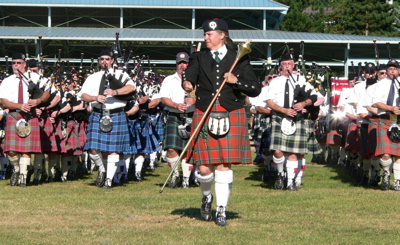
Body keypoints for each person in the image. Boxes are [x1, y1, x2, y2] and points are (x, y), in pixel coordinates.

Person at [183, 19, 261, 226]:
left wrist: (237, 81)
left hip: (231, 112)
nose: (205, 38)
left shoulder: (240, 57)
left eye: (209, 35)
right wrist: (187, 82)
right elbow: (190, 75)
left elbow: (255, 88)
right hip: (205, 111)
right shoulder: (198, 56)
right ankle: (207, 197)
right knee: (204, 168)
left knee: (224, 164)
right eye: (205, 34)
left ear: (222, 35)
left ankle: (221, 210)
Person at [79, 49, 135, 189]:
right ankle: (102, 171)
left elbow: (131, 88)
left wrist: (115, 92)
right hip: (98, 113)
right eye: (102, 59)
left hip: (116, 114)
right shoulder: (93, 77)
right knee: (93, 149)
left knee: (113, 150)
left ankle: (109, 180)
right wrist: (94, 98)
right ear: (99, 61)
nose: (104, 61)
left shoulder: (121, 75)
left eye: (107, 59)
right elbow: (82, 95)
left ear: (112, 61)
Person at [265, 52, 317, 191]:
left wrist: (304, 104)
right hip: (279, 116)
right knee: (277, 151)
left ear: (293, 65)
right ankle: (280, 173)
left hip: (296, 117)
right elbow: (269, 101)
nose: (287, 66)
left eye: (289, 64)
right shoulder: (275, 82)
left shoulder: (300, 79)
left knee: (293, 152)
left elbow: (313, 96)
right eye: (284, 64)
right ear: (280, 67)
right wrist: (283, 110)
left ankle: (290, 182)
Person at [0, 53, 50, 187]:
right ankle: (16, 170)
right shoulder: (7, 81)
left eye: (18, 62)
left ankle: (23, 176)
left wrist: (39, 100)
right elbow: (3, 102)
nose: (16, 65)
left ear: (24, 64)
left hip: (30, 116)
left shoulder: (34, 77)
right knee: (11, 150)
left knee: (26, 150)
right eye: (13, 62)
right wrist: (19, 106)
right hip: (14, 115)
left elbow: (47, 90)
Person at [159, 52, 195, 189]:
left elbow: (205, 96)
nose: (182, 65)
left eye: (185, 62)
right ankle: (175, 175)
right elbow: (164, 98)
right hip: (174, 116)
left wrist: (194, 100)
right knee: (171, 149)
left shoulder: (196, 79)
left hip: (191, 116)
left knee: (188, 150)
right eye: (180, 63)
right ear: (176, 64)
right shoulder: (169, 80)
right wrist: (175, 105)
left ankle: (186, 179)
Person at [371, 59, 400, 190]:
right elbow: (376, 103)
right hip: (386, 119)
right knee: (386, 153)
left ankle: (398, 181)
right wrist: (390, 108)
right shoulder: (380, 84)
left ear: (399, 70)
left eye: (394, 68)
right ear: (386, 71)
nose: (392, 71)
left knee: (399, 154)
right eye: (389, 69)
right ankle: (386, 174)